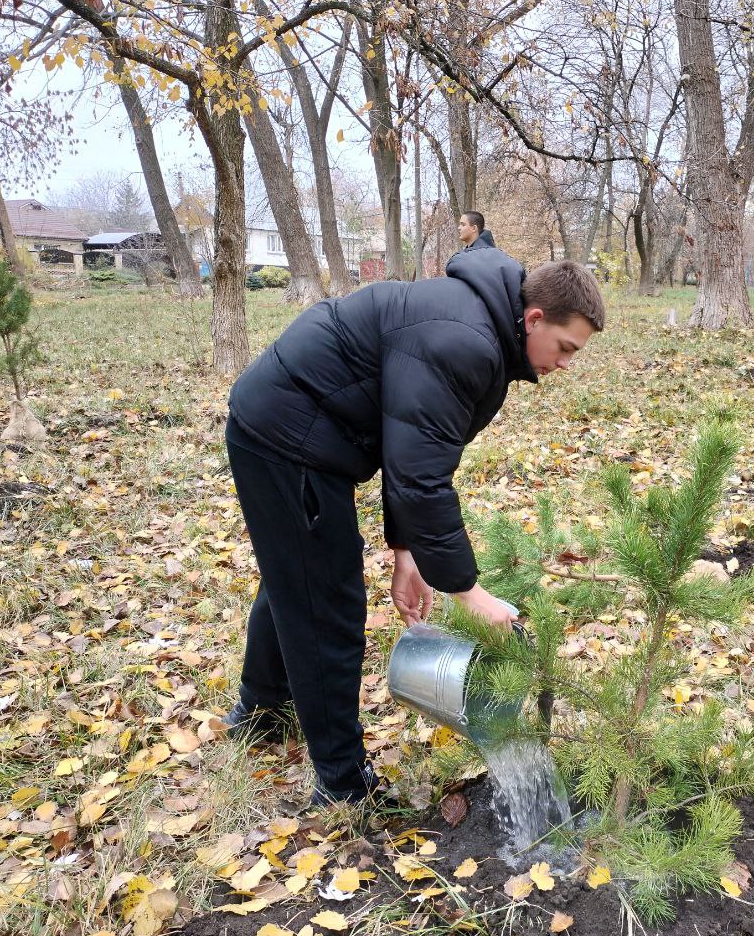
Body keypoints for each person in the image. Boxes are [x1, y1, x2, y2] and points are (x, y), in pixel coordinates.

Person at [224, 249, 604, 807]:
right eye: (566, 348)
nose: (566, 364)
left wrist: (406, 550)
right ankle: (342, 786)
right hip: (286, 435)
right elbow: (420, 480)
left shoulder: (476, 324)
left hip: (297, 423)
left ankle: (259, 712)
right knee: (324, 602)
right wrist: (467, 593)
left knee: (297, 572)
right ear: (535, 318)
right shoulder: (465, 342)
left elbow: (408, 443)